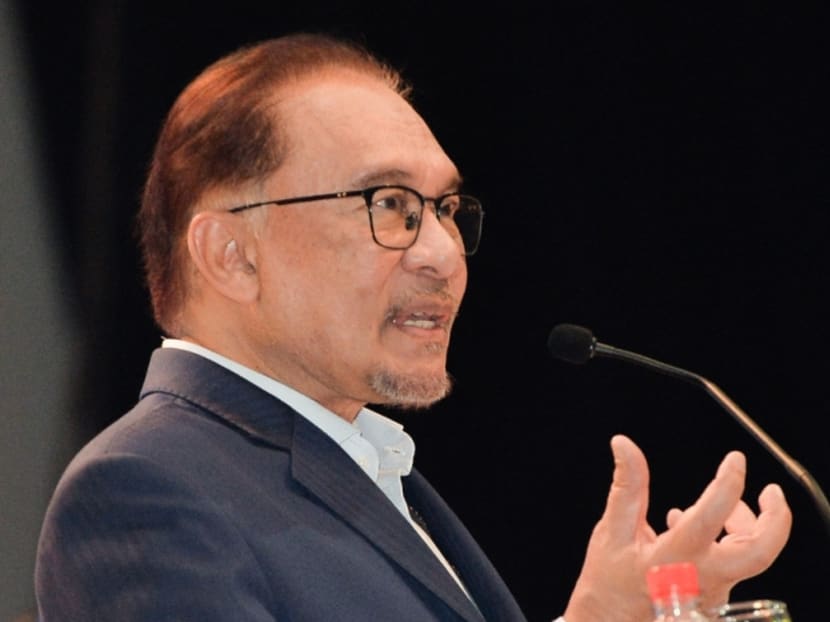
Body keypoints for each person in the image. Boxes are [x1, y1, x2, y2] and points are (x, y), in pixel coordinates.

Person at [34, 33, 792, 621]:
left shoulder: (366, 467)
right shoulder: (146, 490)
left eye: (446, 210)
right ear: (232, 255)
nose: (443, 253)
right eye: (389, 206)